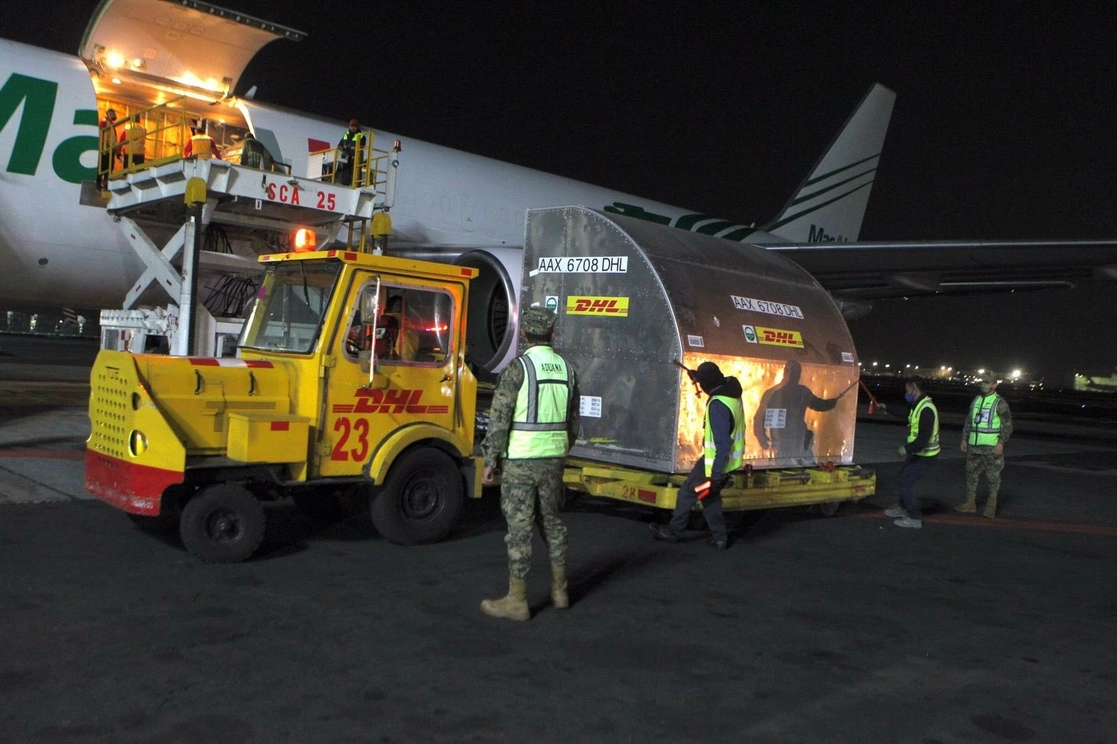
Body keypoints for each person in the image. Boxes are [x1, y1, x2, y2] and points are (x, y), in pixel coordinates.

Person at [480, 307, 579, 621]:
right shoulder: (568, 369)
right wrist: (560, 449)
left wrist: (490, 459)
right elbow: (573, 423)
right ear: (553, 334)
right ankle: (560, 591)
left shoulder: (517, 369)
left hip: (521, 461)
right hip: (553, 460)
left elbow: (499, 420)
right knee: (552, 523)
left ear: (524, 335)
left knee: (520, 529)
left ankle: (518, 601)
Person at [649, 361, 745, 550]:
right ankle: (719, 538)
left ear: (707, 384)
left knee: (687, 492)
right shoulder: (731, 390)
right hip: (728, 461)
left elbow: (723, 444)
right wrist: (696, 375)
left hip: (716, 463)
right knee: (708, 496)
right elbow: (714, 383)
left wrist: (715, 476)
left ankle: (675, 530)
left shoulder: (717, 406)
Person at [880, 376, 940, 529]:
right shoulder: (917, 405)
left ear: (915, 389)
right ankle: (903, 507)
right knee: (901, 478)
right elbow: (905, 413)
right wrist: (886, 407)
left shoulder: (926, 409)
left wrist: (906, 449)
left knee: (905, 482)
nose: (906, 393)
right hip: (918, 453)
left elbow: (923, 438)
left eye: (907, 390)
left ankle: (914, 517)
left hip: (926, 455)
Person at [753, 359, 843, 461]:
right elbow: (760, 418)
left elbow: (818, 404)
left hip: (798, 438)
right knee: (786, 465)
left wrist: (833, 401)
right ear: (786, 372)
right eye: (794, 372)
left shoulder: (801, 392)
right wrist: (763, 440)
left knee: (798, 465)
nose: (796, 375)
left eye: (798, 372)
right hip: (783, 441)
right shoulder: (776, 393)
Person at [956, 377, 1013, 518]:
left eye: (987, 382)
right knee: (971, 473)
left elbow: (1007, 425)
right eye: (982, 382)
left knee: (993, 477)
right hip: (974, 446)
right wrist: (964, 438)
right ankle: (970, 503)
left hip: (991, 447)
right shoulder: (976, 400)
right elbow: (969, 421)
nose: (983, 385)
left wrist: (1000, 443)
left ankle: (991, 506)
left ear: (995, 385)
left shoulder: (1000, 403)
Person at [335, 118, 364, 186]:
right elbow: (339, 145)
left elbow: (361, 146)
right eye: (352, 126)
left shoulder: (361, 136)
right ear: (349, 126)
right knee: (345, 178)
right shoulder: (346, 135)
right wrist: (344, 152)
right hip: (346, 160)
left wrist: (349, 152)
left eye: (355, 126)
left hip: (356, 160)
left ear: (357, 127)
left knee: (355, 178)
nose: (353, 128)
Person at [97, 108, 118, 188]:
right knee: (103, 167)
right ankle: (100, 183)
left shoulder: (110, 124)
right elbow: (103, 135)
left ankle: (105, 184)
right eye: (112, 114)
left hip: (109, 149)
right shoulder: (105, 122)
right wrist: (104, 147)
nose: (114, 115)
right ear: (108, 114)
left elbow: (112, 138)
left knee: (108, 168)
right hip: (105, 150)